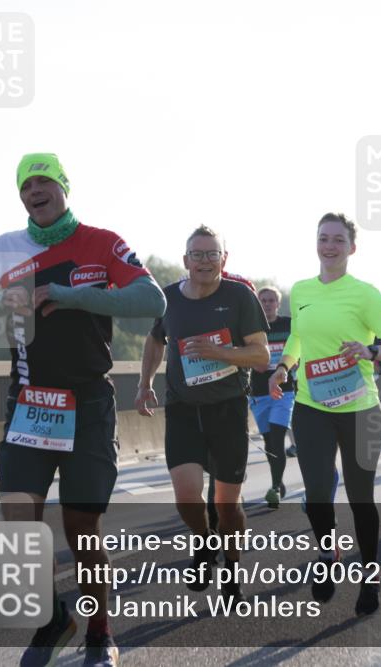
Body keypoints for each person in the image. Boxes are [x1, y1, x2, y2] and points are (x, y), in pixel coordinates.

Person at [0, 154, 166, 667]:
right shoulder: (3, 249)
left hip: (88, 403)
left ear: (64, 187)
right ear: (20, 195)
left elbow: (152, 301)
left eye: (45, 181)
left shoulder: (101, 241)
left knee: (82, 529)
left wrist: (70, 296)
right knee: (18, 523)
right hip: (29, 402)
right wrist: (0, 302)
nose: (35, 190)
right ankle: (53, 620)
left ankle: (99, 633)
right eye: (26, 184)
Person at [269, 212, 381, 616]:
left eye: (337, 240)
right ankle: (328, 553)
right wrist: (284, 366)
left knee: (361, 499)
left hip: (361, 409)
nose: (329, 246)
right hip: (312, 407)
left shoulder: (365, 295)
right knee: (316, 496)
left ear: (352, 247)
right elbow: (297, 335)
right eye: (323, 238)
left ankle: (370, 575)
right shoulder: (300, 290)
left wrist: (370, 351)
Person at [136, 226, 269, 606]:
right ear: (185, 261)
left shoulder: (239, 297)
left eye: (213, 254)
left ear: (224, 260)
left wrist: (221, 354)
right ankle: (204, 541)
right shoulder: (169, 299)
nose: (205, 261)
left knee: (228, 506)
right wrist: (145, 382)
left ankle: (231, 567)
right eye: (198, 254)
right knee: (186, 496)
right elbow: (155, 340)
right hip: (183, 409)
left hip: (227, 410)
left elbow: (260, 357)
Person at [246, 285, 295, 508]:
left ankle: (274, 487)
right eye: (263, 300)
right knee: (269, 443)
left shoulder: (289, 325)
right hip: (258, 392)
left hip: (284, 391)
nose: (267, 304)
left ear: (278, 303)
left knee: (277, 438)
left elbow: (300, 351)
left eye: (271, 300)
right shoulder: (250, 325)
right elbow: (240, 353)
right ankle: (278, 480)